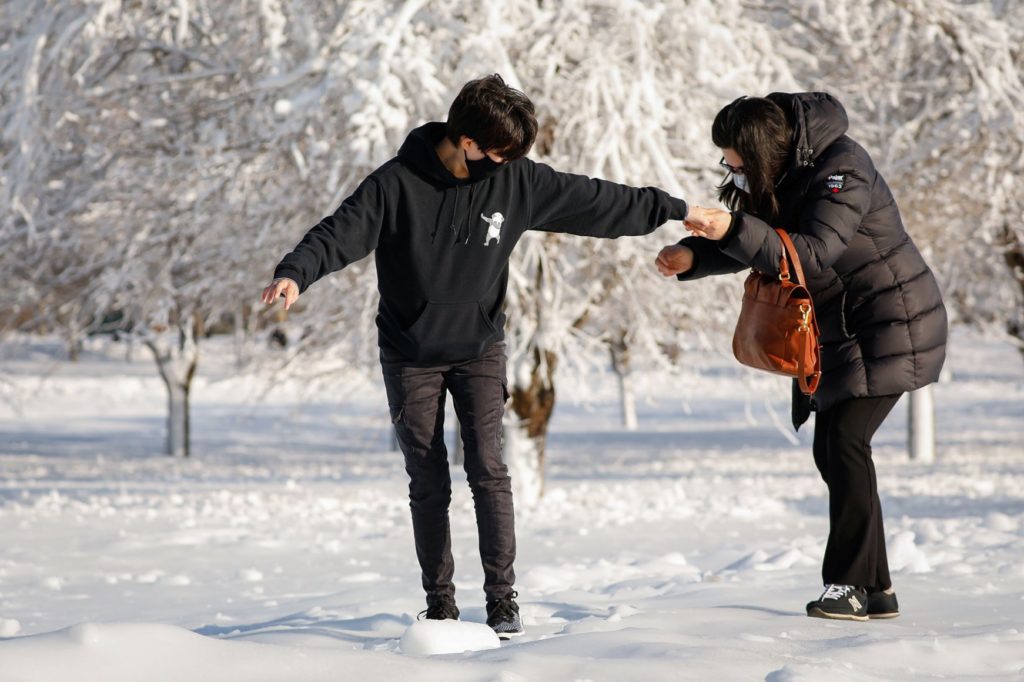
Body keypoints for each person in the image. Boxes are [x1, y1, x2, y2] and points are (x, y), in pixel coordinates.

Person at [262, 74, 690, 637]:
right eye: (498, 152)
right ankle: (440, 603)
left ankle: (502, 598)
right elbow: (338, 232)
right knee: (428, 478)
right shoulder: (396, 185)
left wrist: (674, 209)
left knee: (488, 468)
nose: (506, 163)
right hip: (410, 352)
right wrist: (295, 273)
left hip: (479, 347)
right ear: (466, 141)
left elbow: (595, 200)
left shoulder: (514, 182)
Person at [655, 93, 947, 621]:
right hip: (840, 333)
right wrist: (695, 255)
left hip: (890, 323)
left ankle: (848, 586)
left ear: (766, 149)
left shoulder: (843, 168)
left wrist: (731, 228)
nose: (732, 170)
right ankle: (876, 588)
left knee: (844, 442)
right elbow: (768, 239)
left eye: (737, 161)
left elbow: (807, 254)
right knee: (832, 450)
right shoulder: (790, 169)